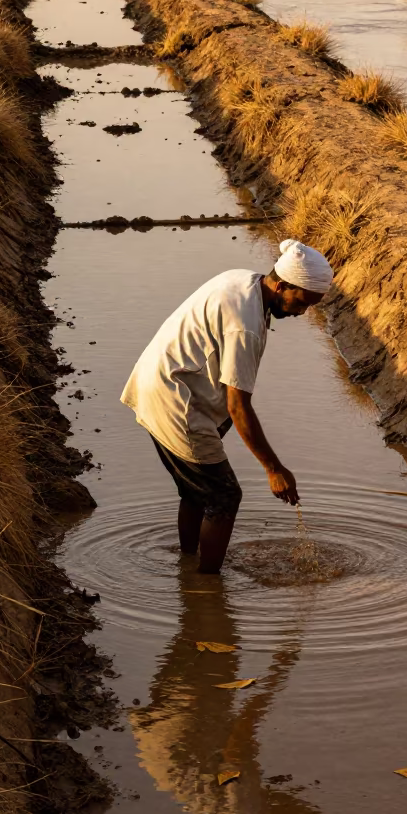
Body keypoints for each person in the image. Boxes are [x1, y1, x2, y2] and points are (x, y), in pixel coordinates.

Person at [121, 239, 334, 574]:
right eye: (301, 302)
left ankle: (189, 561)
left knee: (196, 491)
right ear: (281, 284)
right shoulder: (245, 326)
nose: (301, 312)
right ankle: (206, 585)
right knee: (224, 497)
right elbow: (238, 406)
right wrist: (274, 469)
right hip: (177, 403)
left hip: (157, 384)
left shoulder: (243, 280)